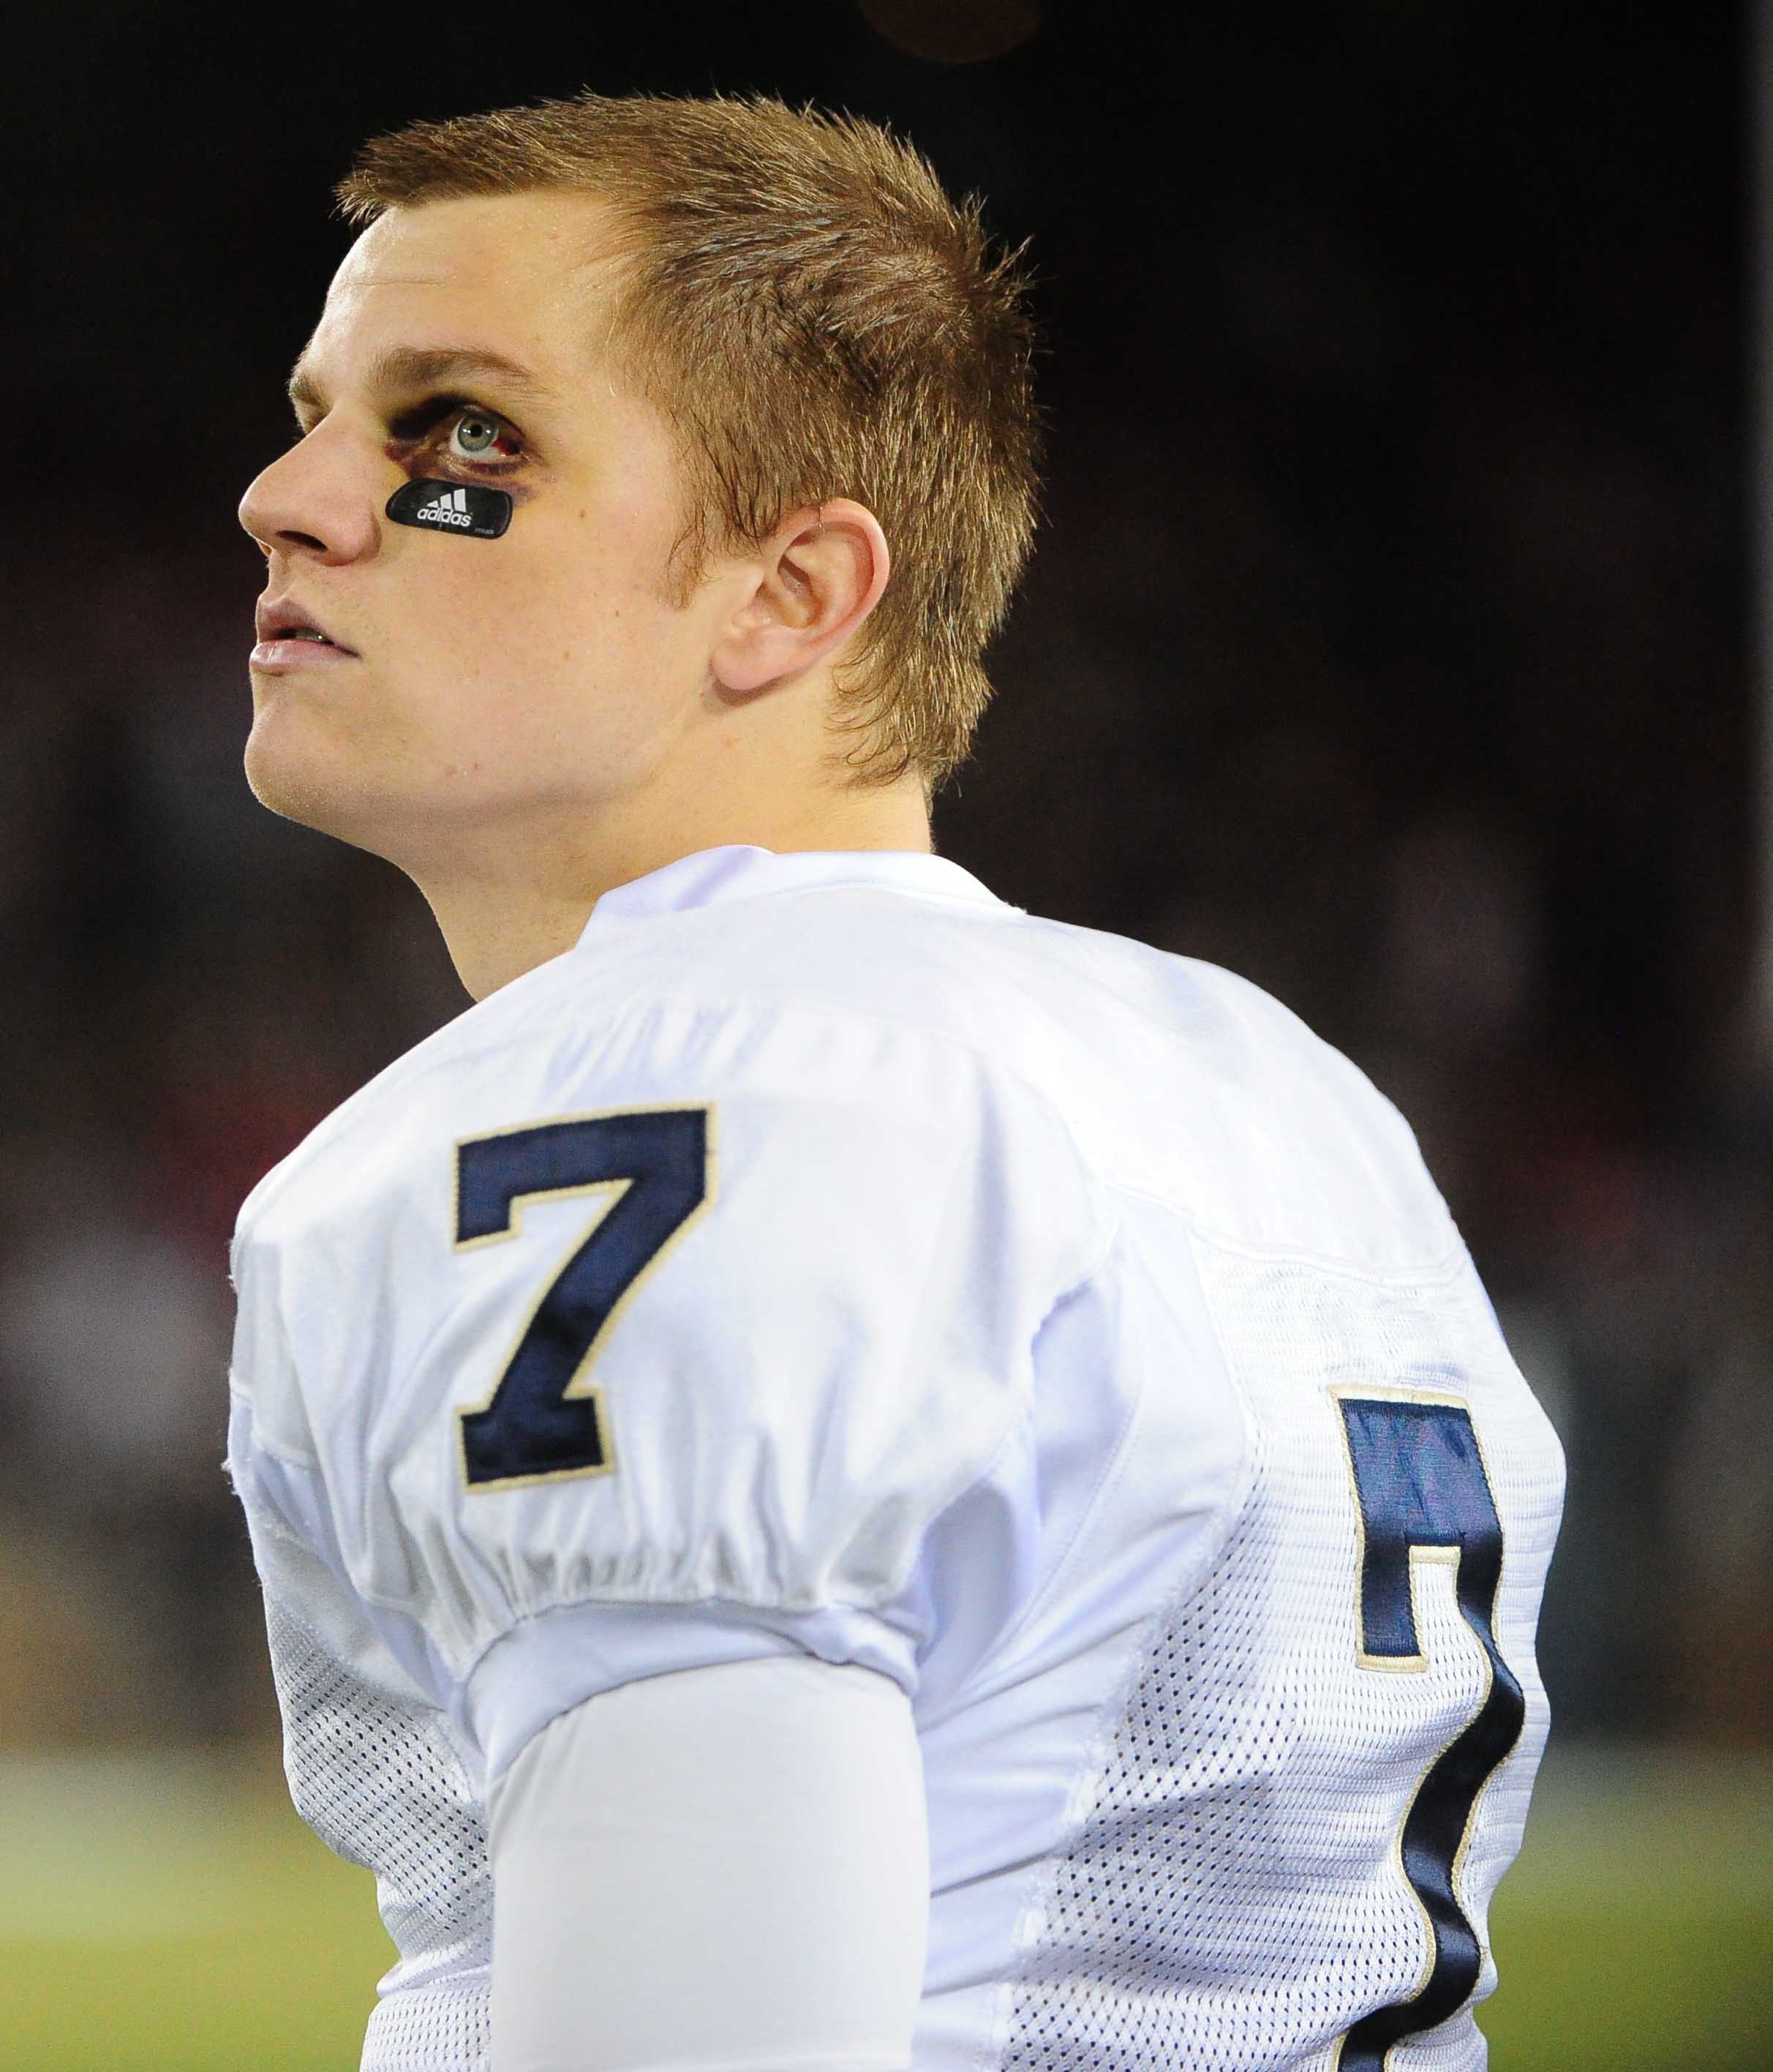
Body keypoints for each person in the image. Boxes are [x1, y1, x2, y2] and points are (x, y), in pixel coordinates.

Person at [225, 94, 1562, 2072]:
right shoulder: (1260, 1077)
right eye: (323, 408)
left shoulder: (658, 1102)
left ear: (788, 592)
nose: (291, 492)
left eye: (462, 433)